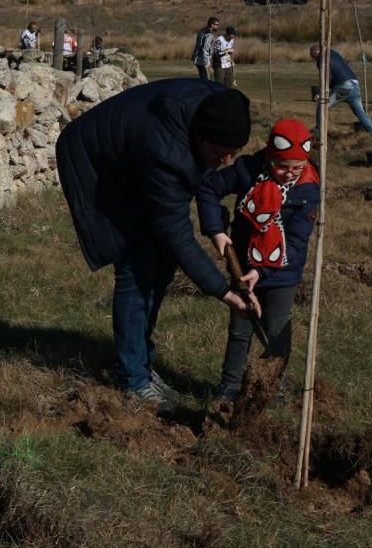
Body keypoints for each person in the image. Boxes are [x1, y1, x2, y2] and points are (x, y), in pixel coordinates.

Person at [56, 78, 256, 409]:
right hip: (100, 168)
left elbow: (203, 191)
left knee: (161, 265)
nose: (226, 162)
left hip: (132, 154)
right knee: (137, 269)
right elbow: (176, 232)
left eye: (234, 153)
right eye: (220, 153)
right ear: (199, 137)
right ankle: (132, 380)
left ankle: (142, 367)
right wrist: (221, 290)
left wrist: (216, 230)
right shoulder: (166, 151)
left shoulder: (221, 105)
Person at [197, 119, 320, 402]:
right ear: (269, 155)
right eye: (282, 166)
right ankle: (229, 388)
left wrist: (262, 272)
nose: (289, 174)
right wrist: (216, 230)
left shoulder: (308, 188)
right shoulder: (248, 170)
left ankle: (272, 390)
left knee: (275, 333)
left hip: (282, 273)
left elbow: (298, 241)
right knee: (240, 329)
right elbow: (207, 189)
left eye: (296, 168)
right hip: (242, 265)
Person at [309, 44, 372, 138]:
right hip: (355, 85)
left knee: (322, 106)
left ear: (316, 54)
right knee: (361, 114)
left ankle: (318, 130)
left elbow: (327, 79)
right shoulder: (333, 53)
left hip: (344, 87)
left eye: (314, 57)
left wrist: (319, 92)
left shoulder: (322, 60)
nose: (315, 60)